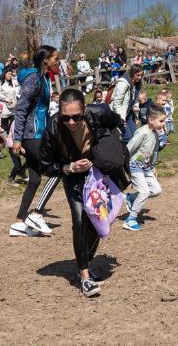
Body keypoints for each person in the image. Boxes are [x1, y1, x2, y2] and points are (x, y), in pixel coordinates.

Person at [39, 88, 123, 297]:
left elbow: (116, 122)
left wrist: (106, 152)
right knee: (79, 221)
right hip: (73, 175)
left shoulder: (98, 113)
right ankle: (84, 276)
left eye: (76, 117)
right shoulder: (52, 128)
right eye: (66, 117)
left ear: (84, 110)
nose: (71, 122)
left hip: (98, 173)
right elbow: (45, 165)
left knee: (98, 220)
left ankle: (87, 260)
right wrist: (70, 168)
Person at [10, 45, 59, 237]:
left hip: (40, 134)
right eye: (55, 58)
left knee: (35, 180)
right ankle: (36, 214)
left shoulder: (45, 78)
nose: (58, 61)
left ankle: (19, 222)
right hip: (32, 135)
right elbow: (21, 109)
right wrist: (17, 139)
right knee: (57, 170)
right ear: (45, 60)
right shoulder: (34, 78)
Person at [123, 104, 165, 231]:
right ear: (151, 120)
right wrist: (127, 169)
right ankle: (130, 219)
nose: (163, 124)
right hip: (134, 166)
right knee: (145, 192)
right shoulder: (142, 132)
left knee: (157, 190)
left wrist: (152, 167)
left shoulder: (155, 134)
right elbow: (128, 149)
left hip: (146, 167)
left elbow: (153, 152)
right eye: (161, 121)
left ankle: (131, 198)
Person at [109, 64, 143, 142]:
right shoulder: (123, 84)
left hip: (128, 113)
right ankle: (120, 152)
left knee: (135, 135)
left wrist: (136, 110)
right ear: (132, 73)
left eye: (141, 75)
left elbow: (135, 99)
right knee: (127, 137)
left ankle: (131, 153)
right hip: (118, 114)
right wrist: (121, 119)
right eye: (138, 75)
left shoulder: (137, 84)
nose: (140, 77)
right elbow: (116, 103)